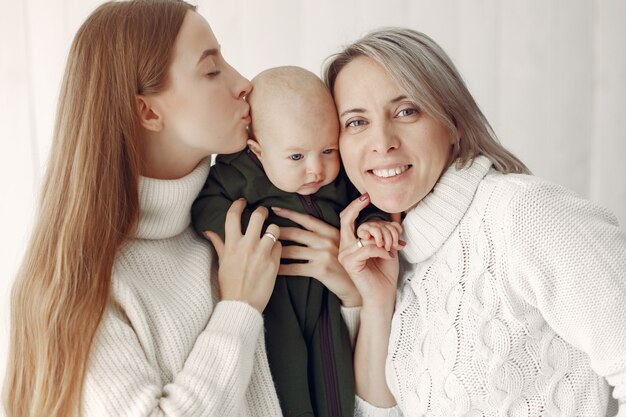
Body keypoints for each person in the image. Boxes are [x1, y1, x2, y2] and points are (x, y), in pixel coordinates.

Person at [1, 2, 348, 416]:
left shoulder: (252, 219)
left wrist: (355, 295)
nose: (243, 83)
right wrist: (238, 310)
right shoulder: (80, 281)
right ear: (148, 111)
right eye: (211, 69)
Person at [324, 27, 626, 416]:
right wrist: (377, 304)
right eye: (356, 122)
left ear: (455, 122)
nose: (382, 142)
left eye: (406, 111)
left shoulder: (523, 213)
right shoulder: (397, 254)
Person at [191, 65, 402, 417]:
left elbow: (363, 207)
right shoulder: (238, 175)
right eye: (296, 157)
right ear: (258, 151)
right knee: (286, 377)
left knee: (333, 378)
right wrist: (249, 232)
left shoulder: (340, 181)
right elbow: (206, 207)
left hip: (327, 301)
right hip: (276, 299)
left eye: (328, 150)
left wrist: (375, 225)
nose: (316, 170)